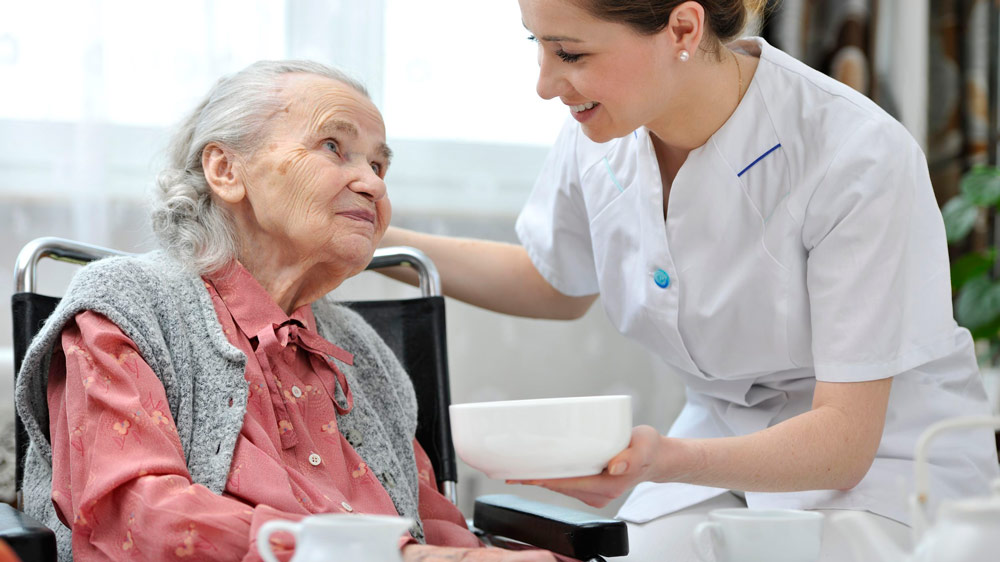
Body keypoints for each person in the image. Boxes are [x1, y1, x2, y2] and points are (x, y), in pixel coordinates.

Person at [380, 1, 1000, 560]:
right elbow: (553, 282)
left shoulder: (856, 155)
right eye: (535, 44)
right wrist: (377, 243)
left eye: (570, 53)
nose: (544, 85)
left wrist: (662, 460)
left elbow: (843, 442)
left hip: (884, 473)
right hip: (717, 454)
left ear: (683, 27)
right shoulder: (601, 132)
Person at [14, 60, 554, 562]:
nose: (372, 182)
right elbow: (132, 516)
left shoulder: (364, 353)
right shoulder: (126, 309)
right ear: (226, 170)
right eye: (332, 146)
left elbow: (432, 523)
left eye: (378, 163)